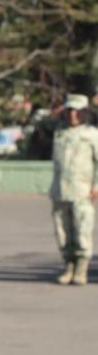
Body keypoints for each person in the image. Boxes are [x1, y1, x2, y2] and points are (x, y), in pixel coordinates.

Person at [50, 94, 98, 285]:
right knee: (62, 230)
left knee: (82, 229)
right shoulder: (59, 132)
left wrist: (96, 185)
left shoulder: (92, 134)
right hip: (60, 190)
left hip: (82, 190)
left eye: (77, 111)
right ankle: (68, 266)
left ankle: (81, 268)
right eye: (70, 111)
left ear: (85, 113)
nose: (73, 115)